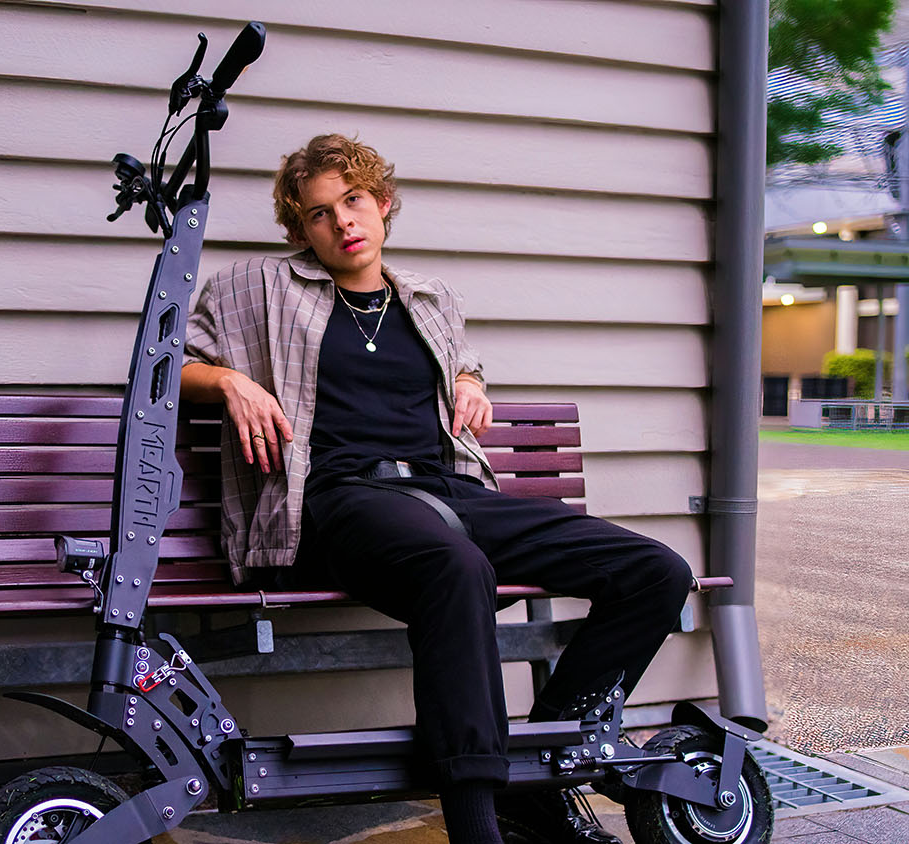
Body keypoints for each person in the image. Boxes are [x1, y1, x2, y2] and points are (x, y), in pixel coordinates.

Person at [181, 134, 692, 844]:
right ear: (302, 230)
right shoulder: (258, 288)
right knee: (456, 567)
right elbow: (172, 365)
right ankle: (477, 824)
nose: (343, 222)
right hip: (340, 501)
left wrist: (470, 379)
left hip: (446, 492)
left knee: (656, 571)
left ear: (383, 203)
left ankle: (542, 772)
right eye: (320, 213)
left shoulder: (429, 298)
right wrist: (231, 382)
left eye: (354, 201)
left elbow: (463, 358)